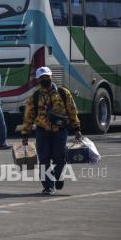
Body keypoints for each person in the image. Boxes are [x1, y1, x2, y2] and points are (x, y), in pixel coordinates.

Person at [21, 67, 82, 195]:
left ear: (51, 76)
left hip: (60, 131)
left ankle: (58, 177)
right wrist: (25, 133)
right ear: (38, 80)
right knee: (44, 160)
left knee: (60, 158)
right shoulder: (35, 96)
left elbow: (72, 111)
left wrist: (76, 128)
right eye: (42, 78)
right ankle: (48, 186)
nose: (45, 79)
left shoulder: (63, 93)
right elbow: (29, 115)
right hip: (42, 132)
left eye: (47, 76)